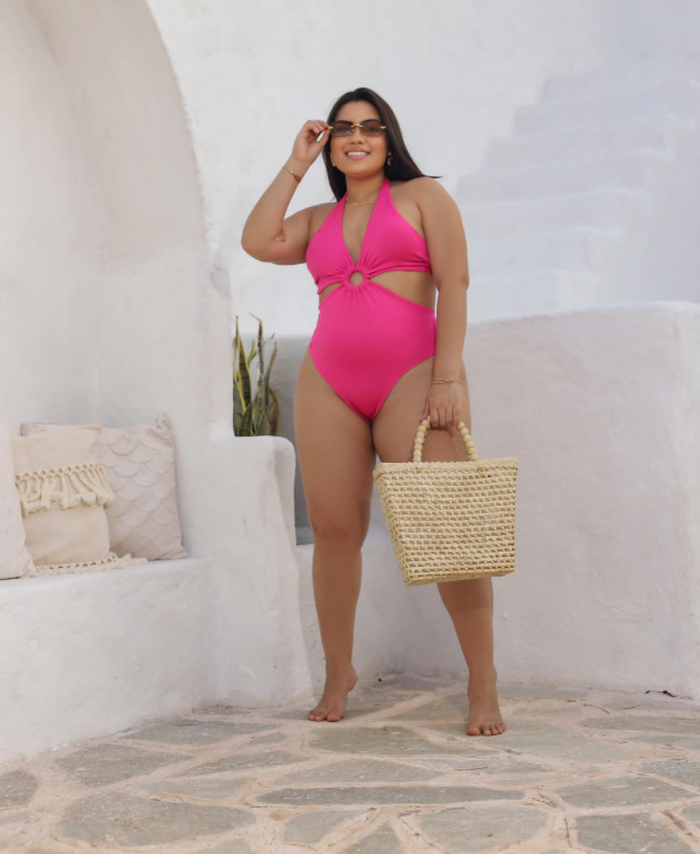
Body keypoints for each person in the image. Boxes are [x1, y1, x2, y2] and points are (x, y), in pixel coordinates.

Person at [241, 87, 506, 736]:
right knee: (334, 531)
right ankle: (339, 671)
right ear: (330, 145)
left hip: (415, 376)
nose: (356, 137)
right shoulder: (316, 220)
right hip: (329, 383)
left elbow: (455, 284)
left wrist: (448, 377)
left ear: (389, 141)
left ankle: (483, 680)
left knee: (448, 528)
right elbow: (257, 240)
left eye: (370, 127)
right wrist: (296, 163)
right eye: (343, 129)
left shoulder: (422, 197)